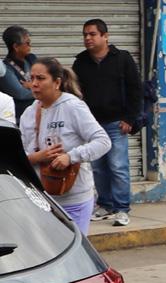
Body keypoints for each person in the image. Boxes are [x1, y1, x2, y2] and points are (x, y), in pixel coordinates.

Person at [19, 58, 111, 234]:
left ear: (57, 82)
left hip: (74, 199)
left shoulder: (73, 106)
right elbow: (19, 153)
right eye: (32, 78)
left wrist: (70, 157)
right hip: (41, 200)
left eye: (41, 78)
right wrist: (37, 157)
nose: (34, 84)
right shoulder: (29, 114)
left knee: (76, 247)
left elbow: (103, 141)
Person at [73, 18, 142, 228]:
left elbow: (135, 90)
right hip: (92, 125)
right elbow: (75, 92)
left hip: (116, 123)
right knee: (98, 168)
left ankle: (122, 209)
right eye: (85, 34)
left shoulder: (122, 58)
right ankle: (105, 204)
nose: (88, 38)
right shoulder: (81, 62)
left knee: (118, 166)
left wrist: (130, 118)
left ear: (105, 36)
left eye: (92, 34)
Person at [0, 26, 36, 122]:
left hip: (38, 113)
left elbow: (49, 79)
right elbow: (21, 93)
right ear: (16, 46)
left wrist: (32, 85)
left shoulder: (32, 59)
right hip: (19, 118)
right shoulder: (5, 68)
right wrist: (44, 90)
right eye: (27, 43)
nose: (30, 46)